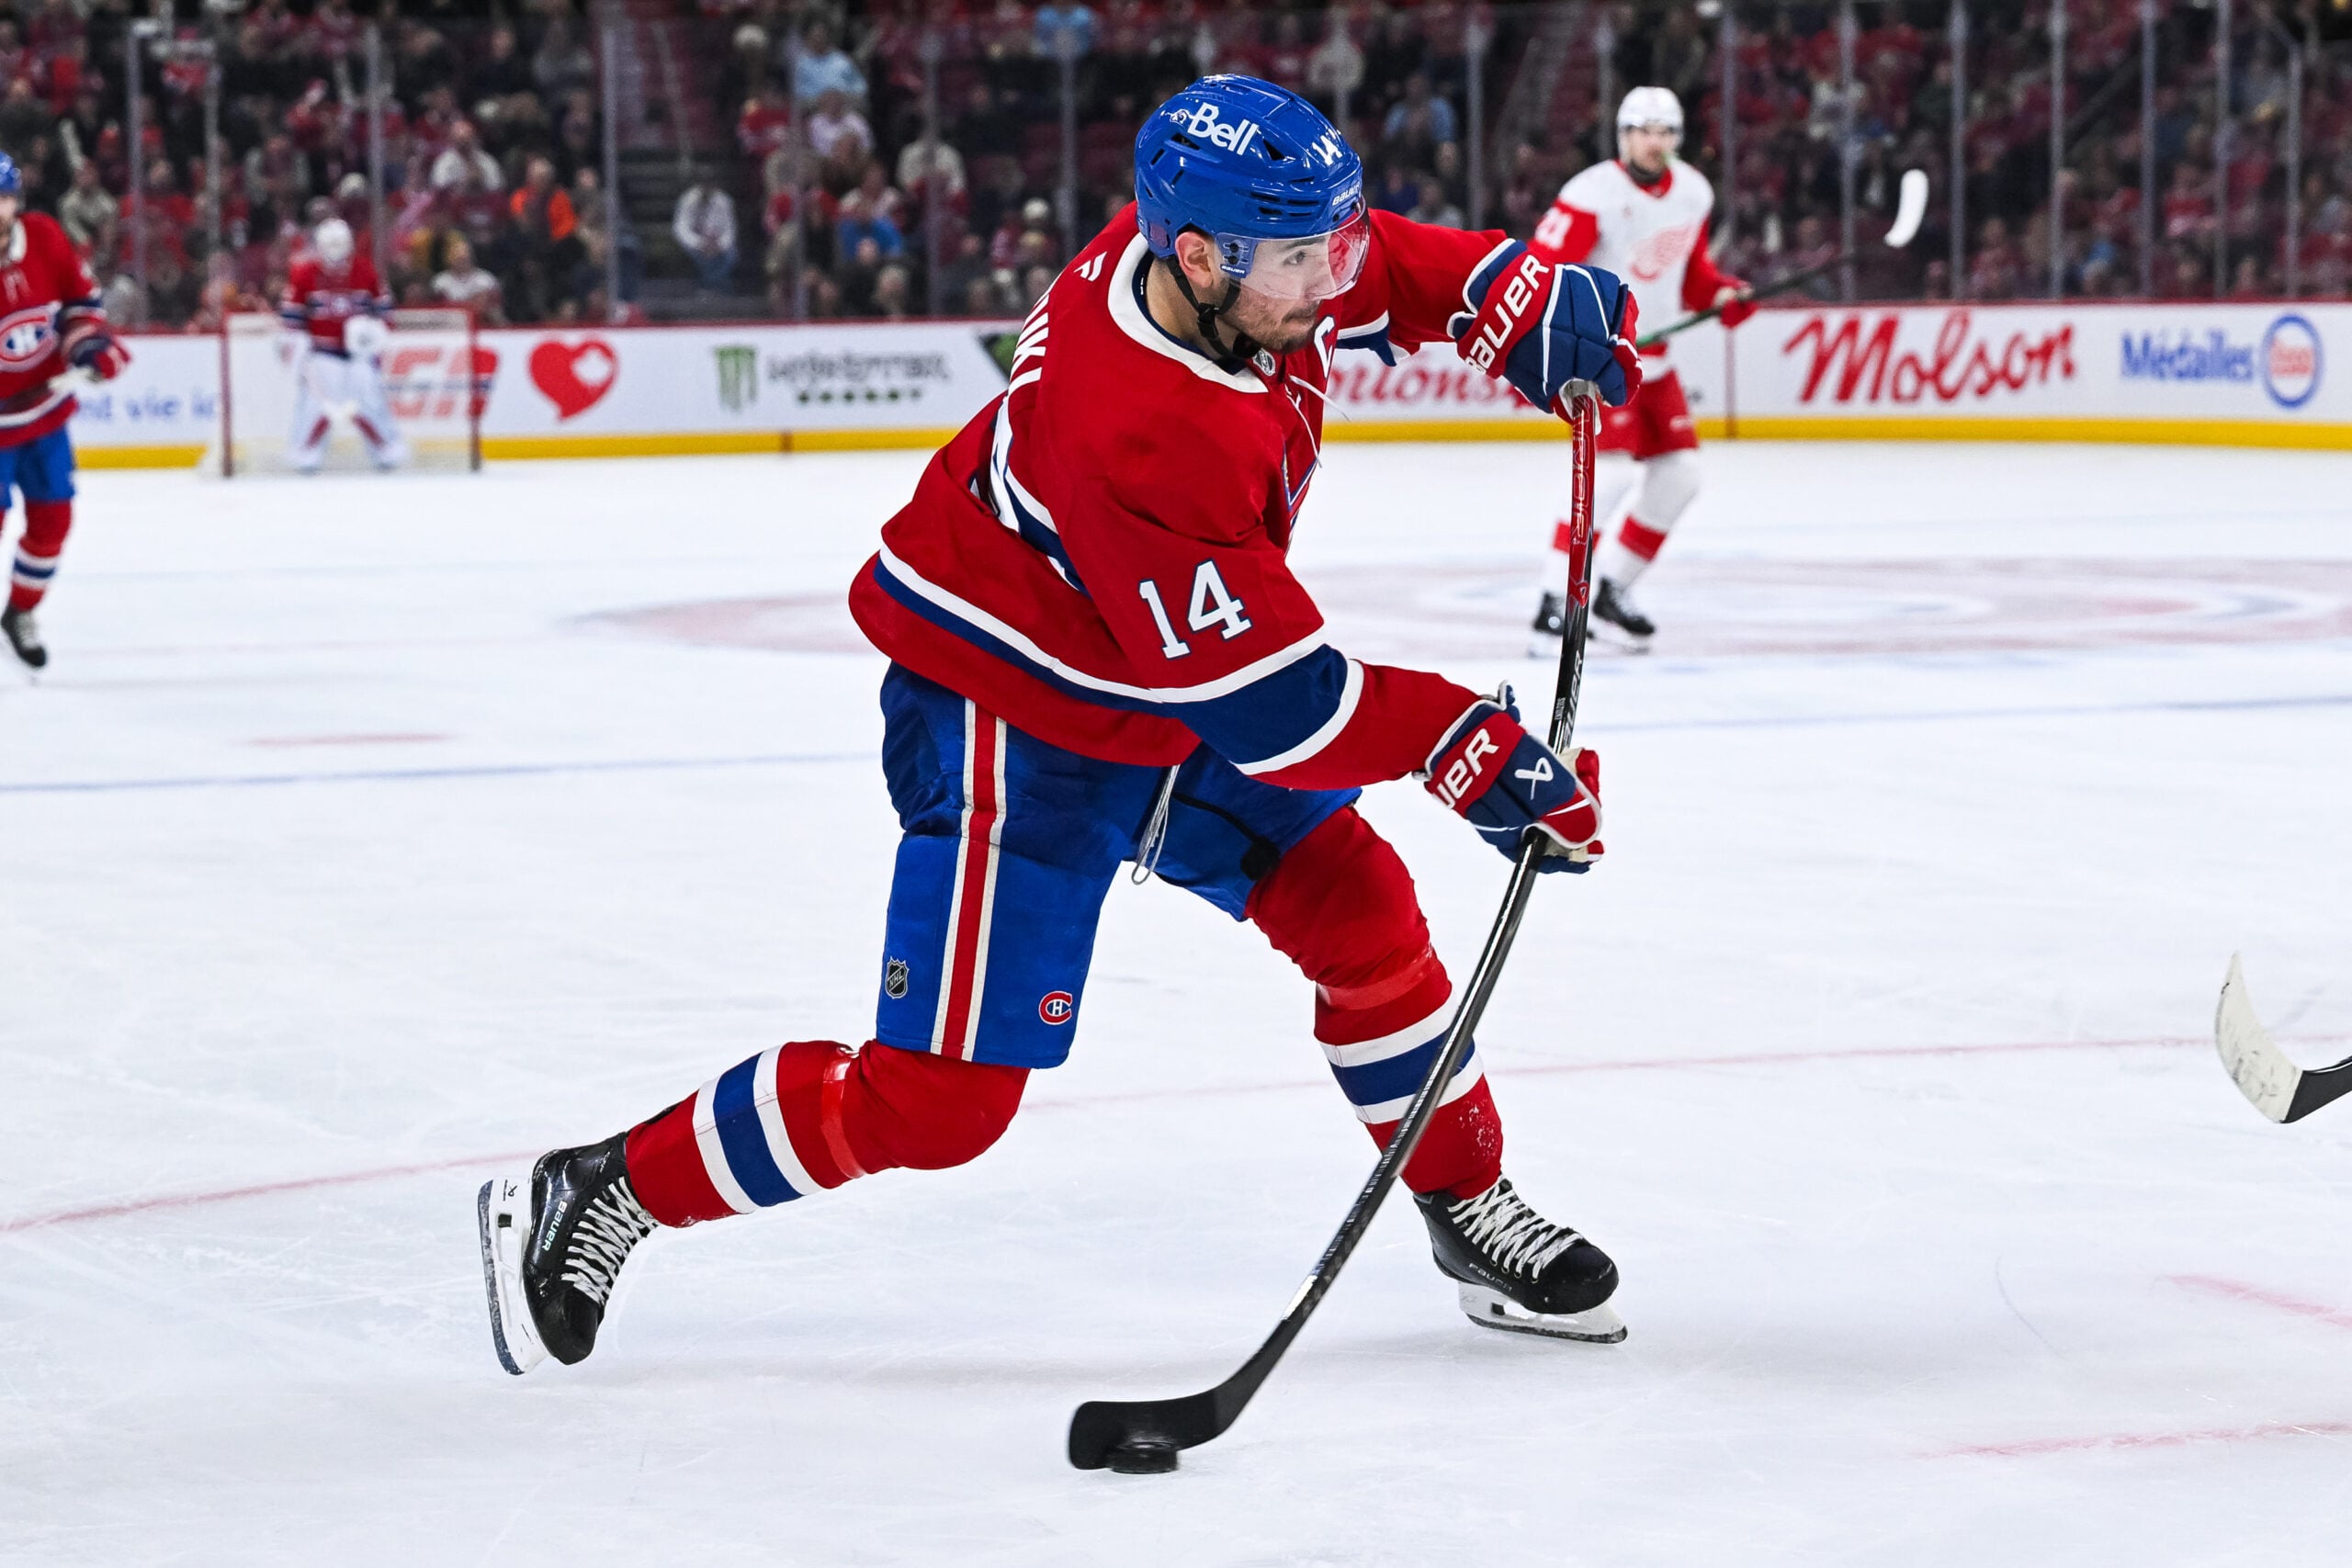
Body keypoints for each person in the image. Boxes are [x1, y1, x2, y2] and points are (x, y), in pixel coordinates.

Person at [477, 76, 1643, 1379]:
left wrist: (1502, 290)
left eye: (1330, 241)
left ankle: (1465, 1201)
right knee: (941, 1104)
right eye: (1300, 258)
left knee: (1360, 910)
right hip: (1014, 712)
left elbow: (1376, 272)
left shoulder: (1222, 262)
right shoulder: (1139, 426)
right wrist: (1460, 742)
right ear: (1196, 259)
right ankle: (607, 1186)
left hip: (1157, 674)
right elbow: (1275, 707)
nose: (1331, 278)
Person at [1526, 86, 1754, 650]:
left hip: (1658, 365)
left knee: (1682, 476)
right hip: (1603, 361)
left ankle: (1613, 588)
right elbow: (1540, 272)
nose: (1655, 142)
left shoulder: (1694, 192)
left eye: (1665, 132)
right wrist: (1561, 343)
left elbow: (1691, 277)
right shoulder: (1591, 194)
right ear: (1623, 136)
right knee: (1611, 477)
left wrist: (1723, 294)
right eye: (1644, 131)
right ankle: (1554, 598)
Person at [0, 151, 127, 671]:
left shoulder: (45, 237)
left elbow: (80, 306)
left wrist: (89, 348)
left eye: (2, 198)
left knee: (53, 521)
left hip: (44, 418)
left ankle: (20, 612)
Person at [280, 217, 407, 473]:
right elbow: (292, 321)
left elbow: (385, 313)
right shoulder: (304, 274)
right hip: (323, 354)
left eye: (339, 243)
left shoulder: (366, 270)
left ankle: (386, 449)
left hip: (360, 355)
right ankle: (305, 451)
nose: (335, 250)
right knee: (316, 405)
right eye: (330, 244)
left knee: (371, 400)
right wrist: (298, 349)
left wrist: (372, 334)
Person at [673, 170, 738, 291]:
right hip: (696, 243)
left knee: (731, 256)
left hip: (717, 242)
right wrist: (700, 244)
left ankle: (714, 288)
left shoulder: (724, 201)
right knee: (703, 258)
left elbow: (730, 229)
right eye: (704, 184)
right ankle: (711, 288)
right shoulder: (687, 200)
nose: (707, 188)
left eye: (710, 184)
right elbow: (681, 229)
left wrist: (720, 245)